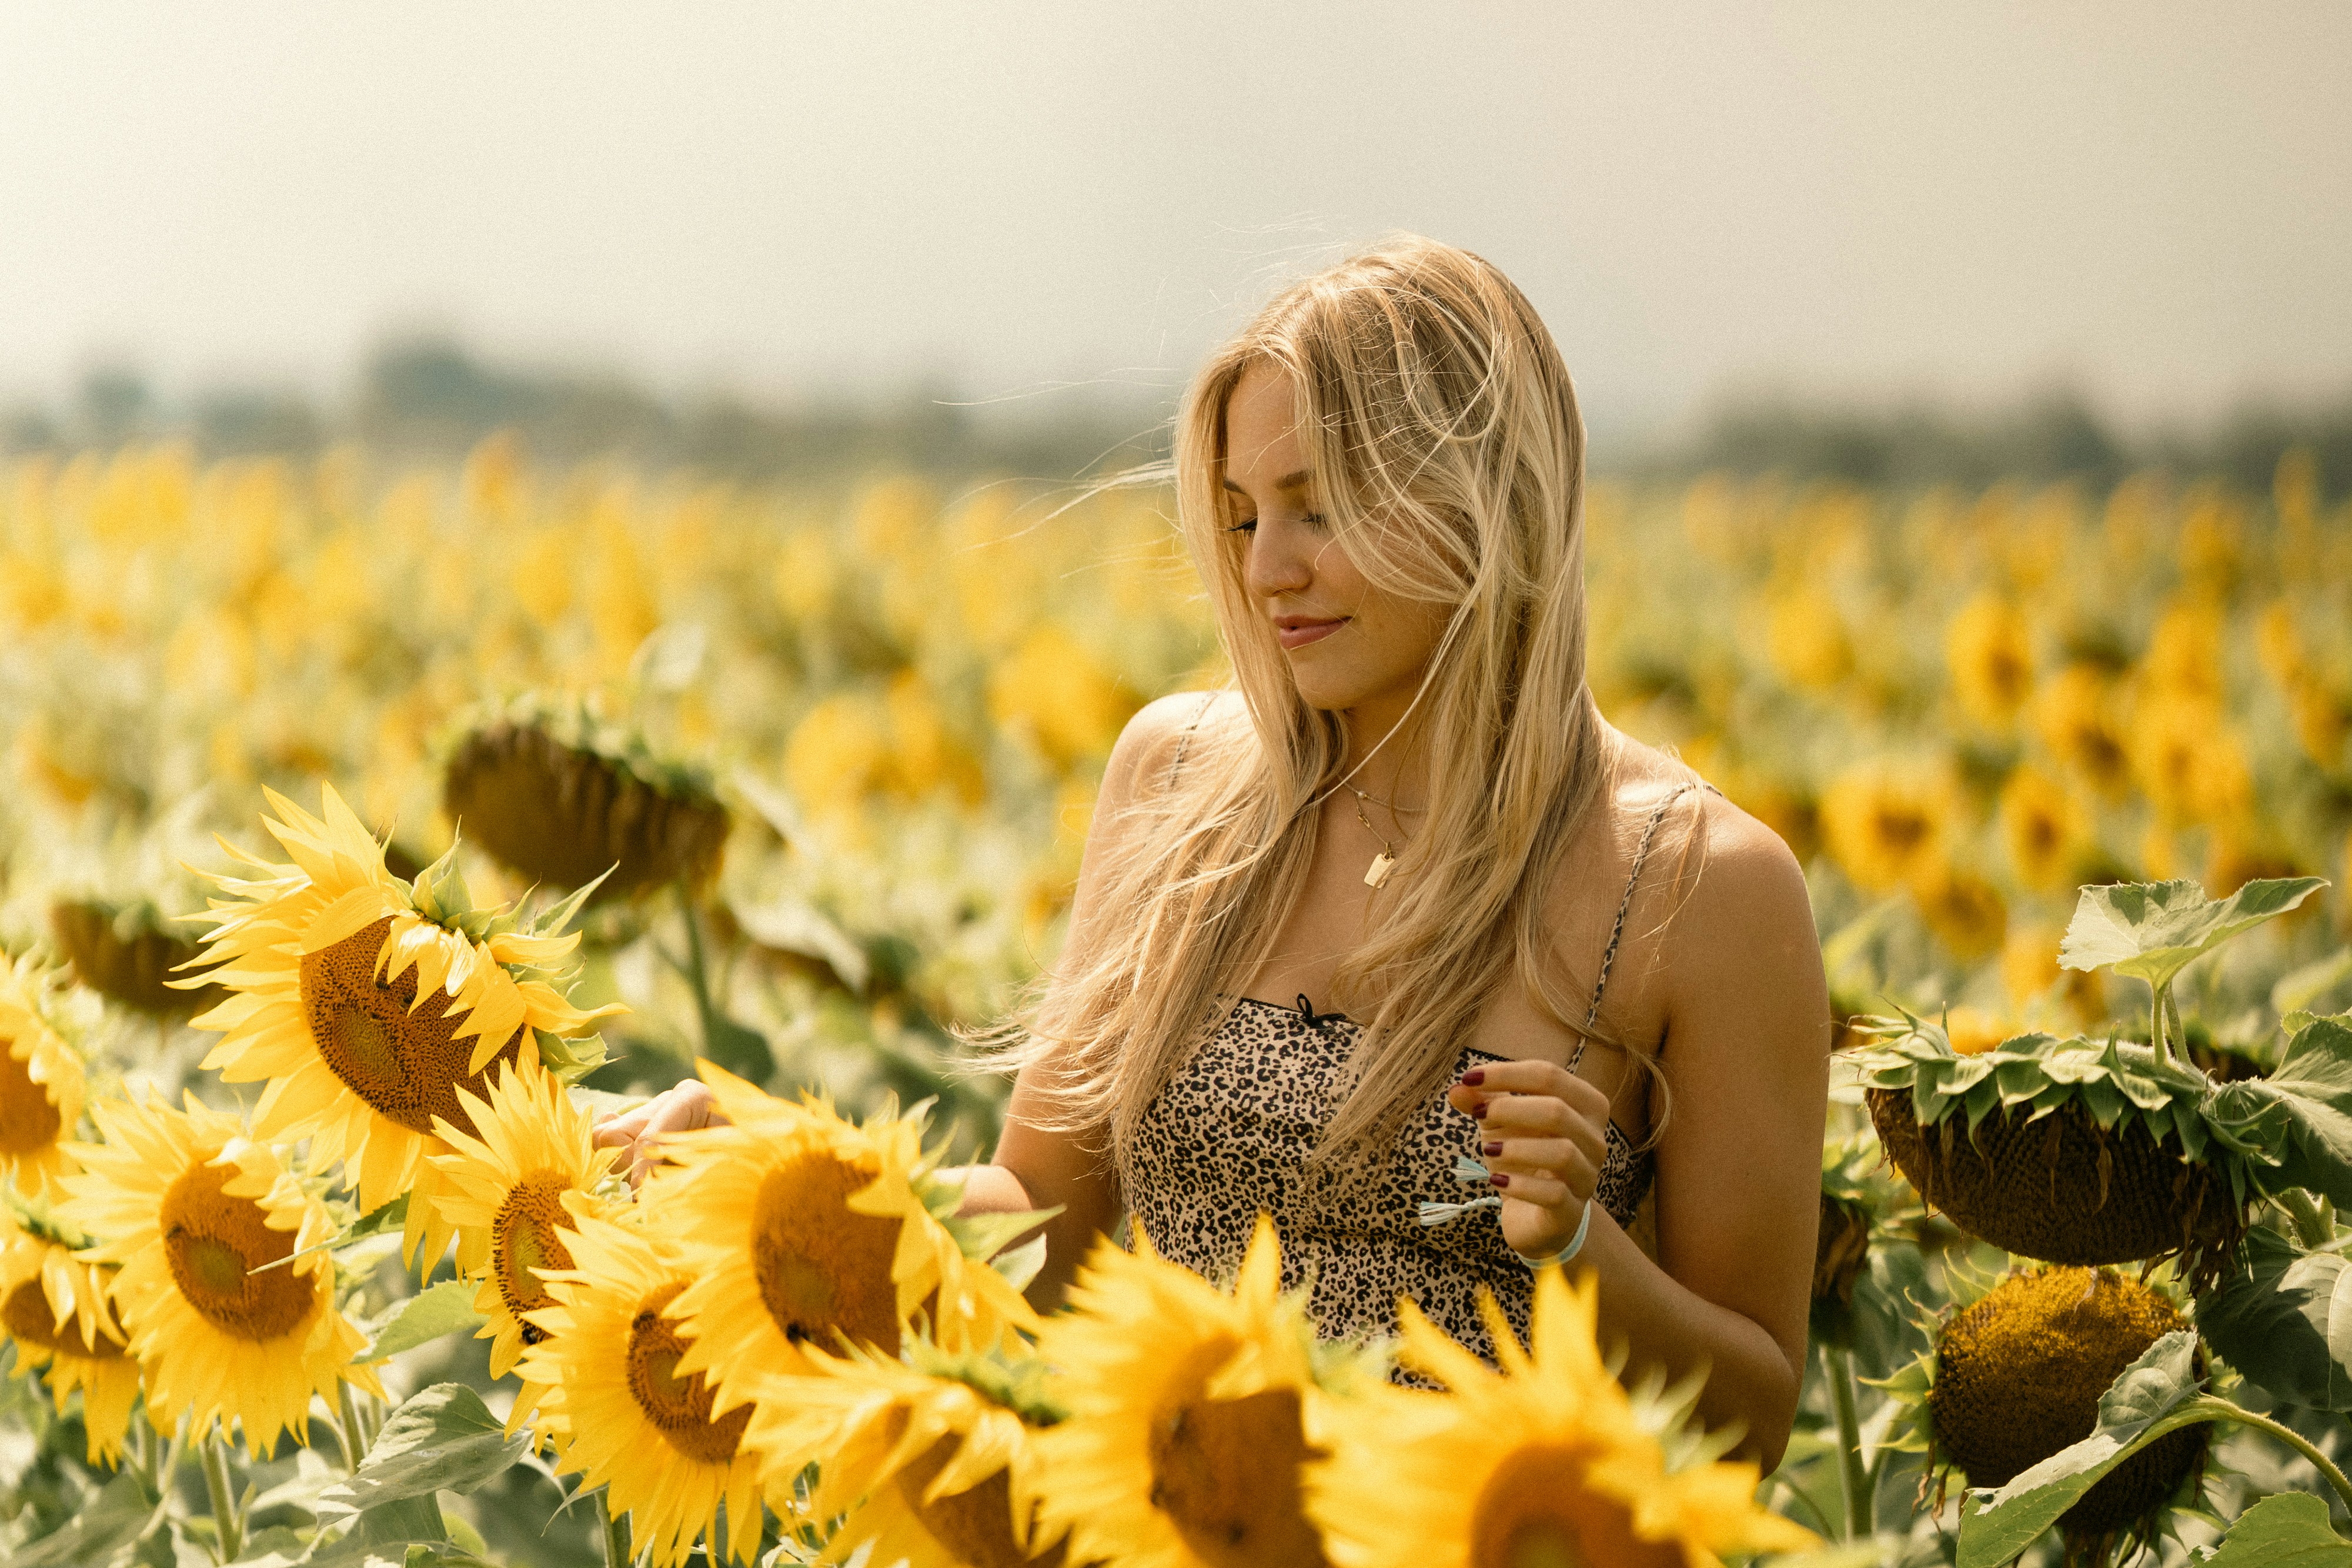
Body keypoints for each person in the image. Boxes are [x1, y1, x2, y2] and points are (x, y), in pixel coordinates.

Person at [596, 234, 1830, 1467]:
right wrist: (771, 1175)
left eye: (1320, 508)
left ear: (1487, 498)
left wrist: (1578, 1250)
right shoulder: (1178, 782)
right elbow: (1039, 1228)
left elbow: (1752, 1419)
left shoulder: (1700, 886)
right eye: (1240, 515)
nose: (1263, 569)